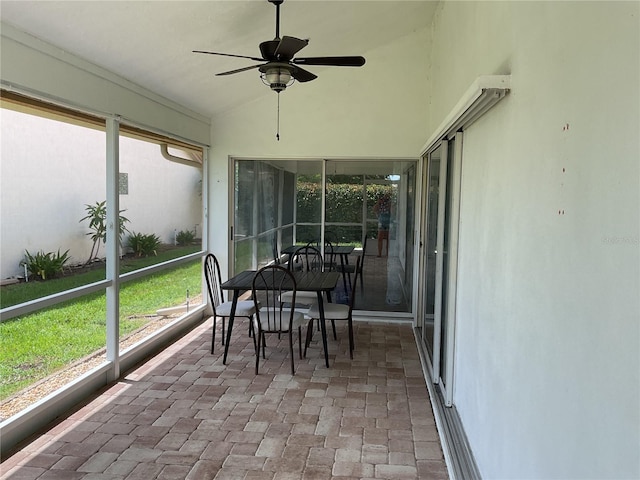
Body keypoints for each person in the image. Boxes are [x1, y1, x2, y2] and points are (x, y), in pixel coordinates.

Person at [373, 192, 391, 257]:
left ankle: (387, 253)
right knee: (380, 238)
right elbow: (374, 209)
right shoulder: (380, 204)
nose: (384, 199)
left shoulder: (389, 204)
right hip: (381, 222)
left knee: (388, 239)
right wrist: (378, 203)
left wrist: (389, 204)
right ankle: (379, 253)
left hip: (388, 222)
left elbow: (393, 211)